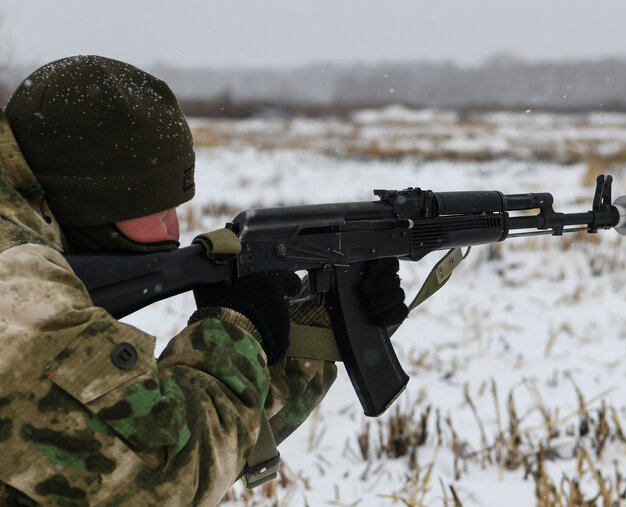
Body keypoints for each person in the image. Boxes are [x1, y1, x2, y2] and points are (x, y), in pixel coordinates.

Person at [0, 55, 408, 506]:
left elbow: (216, 447)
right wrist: (236, 328)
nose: (172, 232)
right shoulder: (14, 281)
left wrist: (314, 328)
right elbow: (166, 476)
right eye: (153, 209)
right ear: (85, 203)